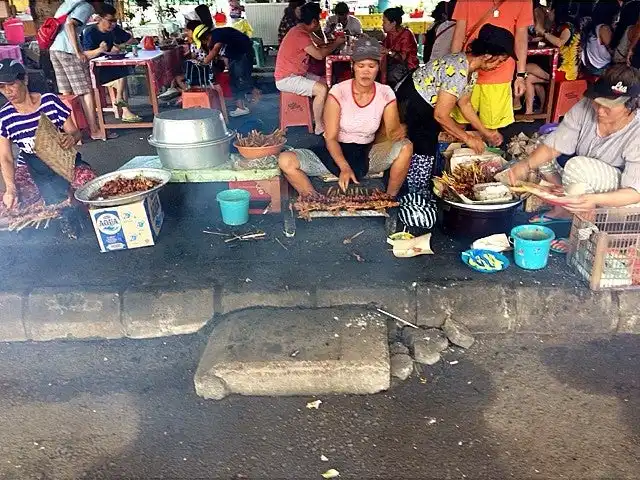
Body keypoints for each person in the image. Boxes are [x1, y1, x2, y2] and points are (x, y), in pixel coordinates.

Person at [278, 36, 413, 197]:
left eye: (371, 66)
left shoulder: (385, 93)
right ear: (353, 66)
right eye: (361, 65)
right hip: (331, 154)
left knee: (406, 147)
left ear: (379, 67)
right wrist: (344, 167)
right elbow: (331, 138)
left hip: (366, 155)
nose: (366, 71)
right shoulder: (338, 91)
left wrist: (397, 131)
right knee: (285, 160)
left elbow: (391, 132)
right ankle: (313, 201)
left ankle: (389, 200)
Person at [508, 64, 640, 222]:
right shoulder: (585, 107)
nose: (599, 110)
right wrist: (525, 164)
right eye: (597, 102)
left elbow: (634, 193)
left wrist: (594, 199)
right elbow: (554, 145)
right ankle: (564, 205)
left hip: (622, 197)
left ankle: (583, 226)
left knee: (577, 167)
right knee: (543, 143)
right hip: (586, 178)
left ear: (630, 107)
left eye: (608, 107)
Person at [0, 60, 95, 232]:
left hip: (63, 162)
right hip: (31, 166)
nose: (8, 91)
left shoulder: (49, 102)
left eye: (11, 84)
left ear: (25, 80)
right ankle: (56, 210)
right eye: (1, 87)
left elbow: (75, 132)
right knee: (13, 201)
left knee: (89, 184)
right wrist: (10, 188)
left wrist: (71, 139)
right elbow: (6, 157)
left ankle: (69, 207)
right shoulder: (5, 116)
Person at [397, 24, 514, 162]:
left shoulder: (471, 70)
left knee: (427, 148)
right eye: (500, 61)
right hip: (413, 100)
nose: (498, 66)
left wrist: (486, 132)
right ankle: (413, 183)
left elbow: (465, 104)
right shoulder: (458, 70)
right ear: (487, 55)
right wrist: (468, 138)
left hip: (425, 102)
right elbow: (441, 115)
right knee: (420, 153)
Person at [450, 0, 532, 130]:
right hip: (468, 70)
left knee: (492, 129)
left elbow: (521, 38)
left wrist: (520, 75)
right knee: (459, 123)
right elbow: (459, 34)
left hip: (500, 73)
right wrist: (454, 71)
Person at [275, 2, 345, 135]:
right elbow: (319, 55)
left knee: (325, 82)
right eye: (318, 20)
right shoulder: (299, 34)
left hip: (296, 74)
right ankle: (319, 126)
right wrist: (336, 43)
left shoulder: (301, 30)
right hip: (286, 78)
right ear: (313, 21)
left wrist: (331, 43)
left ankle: (320, 116)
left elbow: (320, 44)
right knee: (321, 89)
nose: (320, 23)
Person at [49, 0, 108, 140]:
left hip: (55, 50)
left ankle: (72, 132)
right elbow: (70, 25)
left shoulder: (68, 3)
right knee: (85, 91)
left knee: (67, 93)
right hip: (68, 51)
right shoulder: (85, 6)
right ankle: (94, 130)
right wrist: (78, 52)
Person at [81, 4, 140, 123]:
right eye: (110, 21)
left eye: (115, 21)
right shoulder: (90, 32)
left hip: (112, 67)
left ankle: (122, 104)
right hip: (96, 71)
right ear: (99, 19)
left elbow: (131, 41)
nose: (112, 24)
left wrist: (122, 45)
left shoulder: (114, 29)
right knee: (122, 74)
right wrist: (100, 50)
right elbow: (85, 55)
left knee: (124, 70)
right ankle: (123, 106)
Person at [521, 2, 580, 115]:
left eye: (550, 11)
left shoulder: (568, 27)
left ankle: (521, 103)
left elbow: (559, 42)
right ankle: (533, 113)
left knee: (526, 67)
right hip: (556, 66)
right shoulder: (558, 26)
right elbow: (548, 39)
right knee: (529, 79)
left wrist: (542, 30)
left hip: (565, 72)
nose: (548, 13)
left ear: (556, 11)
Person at [195, 25, 259, 117]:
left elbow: (215, 50)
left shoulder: (217, 35)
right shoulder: (220, 34)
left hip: (242, 55)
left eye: (204, 42)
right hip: (239, 55)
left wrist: (203, 63)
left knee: (238, 81)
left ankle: (244, 104)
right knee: (237, 80)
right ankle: (243, 105)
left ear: (205, 37)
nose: (206, 44)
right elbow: (221, 54)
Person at [381, 7, 419, 87]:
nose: (382, 25)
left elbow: (402, 58)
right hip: (394, 66)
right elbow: (384, 46)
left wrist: (388, 52)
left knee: (390, 74)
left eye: (384, 22)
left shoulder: (406, 35)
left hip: (407, 69)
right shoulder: (390, 34)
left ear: (393, 23)